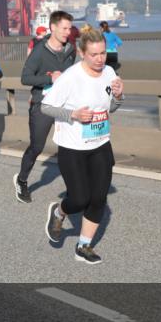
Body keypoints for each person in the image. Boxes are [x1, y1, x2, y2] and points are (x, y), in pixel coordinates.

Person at [41, 27, 124, 264]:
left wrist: (118, 96)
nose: (100, 59)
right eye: (94, 55)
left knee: (98, 199)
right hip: (73, 147)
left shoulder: (109, 72)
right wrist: (73, 114)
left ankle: (84, 246)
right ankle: (59, 212)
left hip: (100, 144)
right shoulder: (70, 77)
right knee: (79, 199)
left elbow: (112, 108)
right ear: (81, 53)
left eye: (102, 53)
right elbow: (45, 107)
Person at [15, 10, 75, 203]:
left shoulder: (70, 50)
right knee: (37, 147)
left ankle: (73, 189)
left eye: (70, 28)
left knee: (69, 147)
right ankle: (22, 180)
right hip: (42, 105)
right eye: (64, 28)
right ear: (53, 28)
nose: (68, 32)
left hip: (64, 106)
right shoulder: (40, 51)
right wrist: (49, 78)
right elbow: (25, 78)